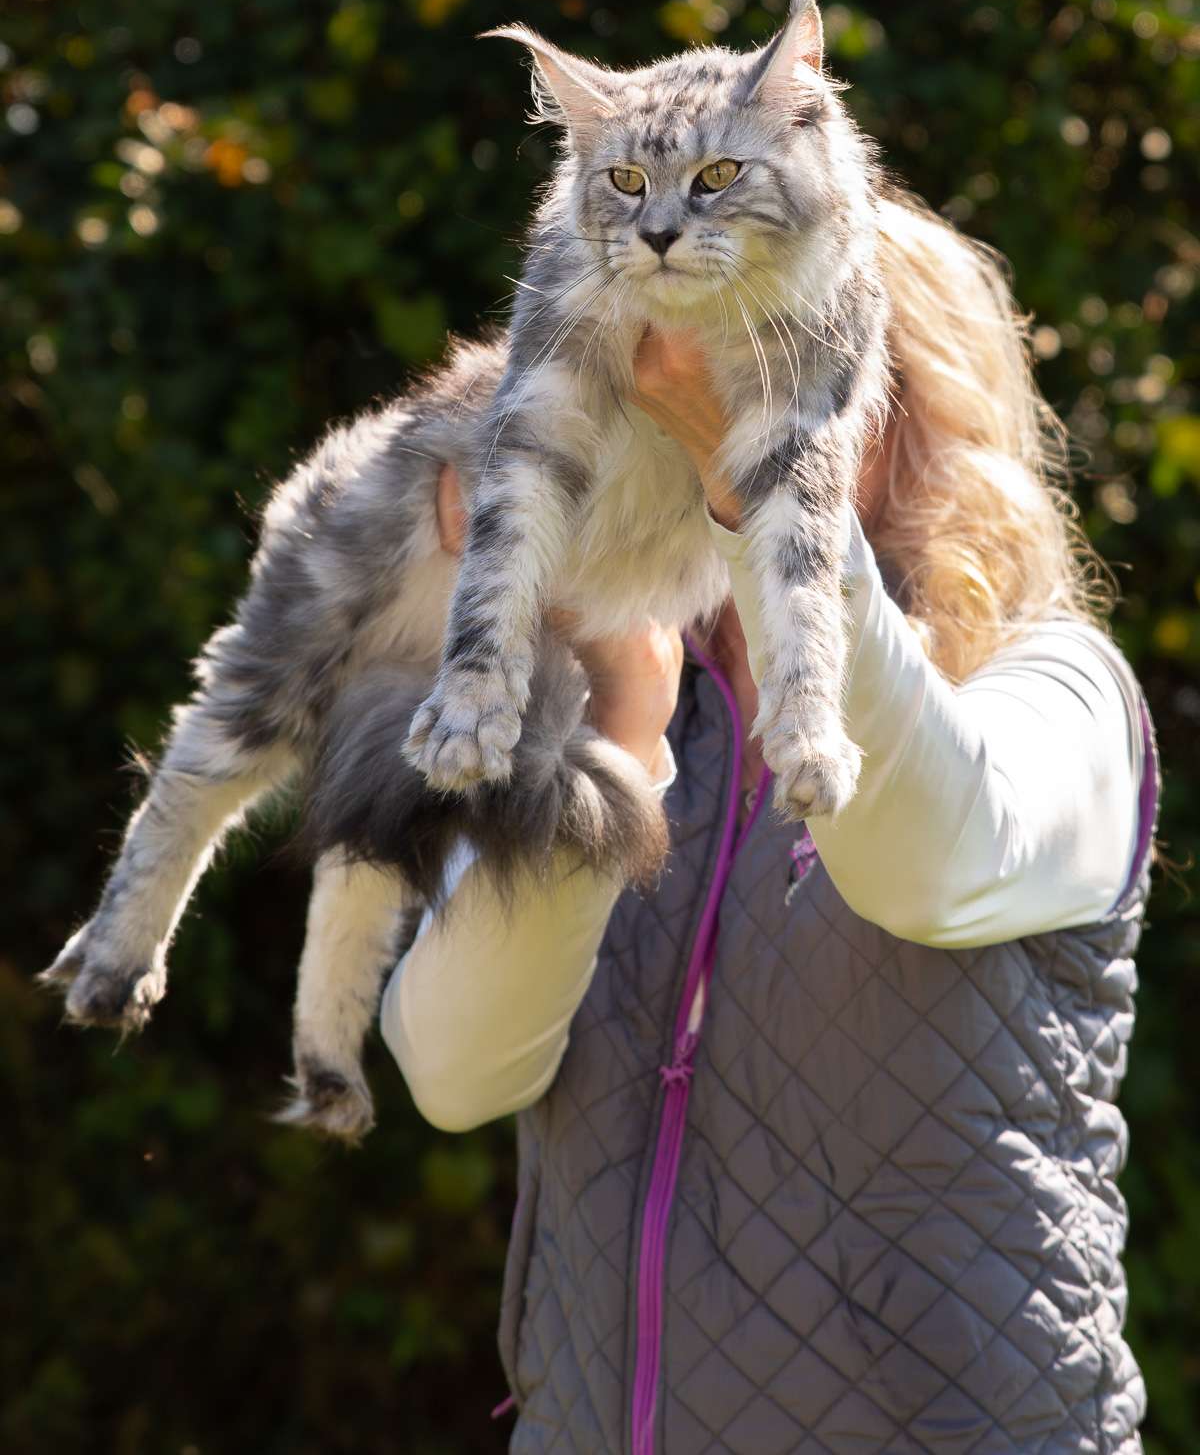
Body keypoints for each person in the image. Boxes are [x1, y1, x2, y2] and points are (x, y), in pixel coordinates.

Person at [380, 201, 1160, 1453]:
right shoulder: (605, 702)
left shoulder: (1059, 695)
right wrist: (620, 720)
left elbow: (929, 860)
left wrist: (766, 508)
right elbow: (458, 1069)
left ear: (900, 416)